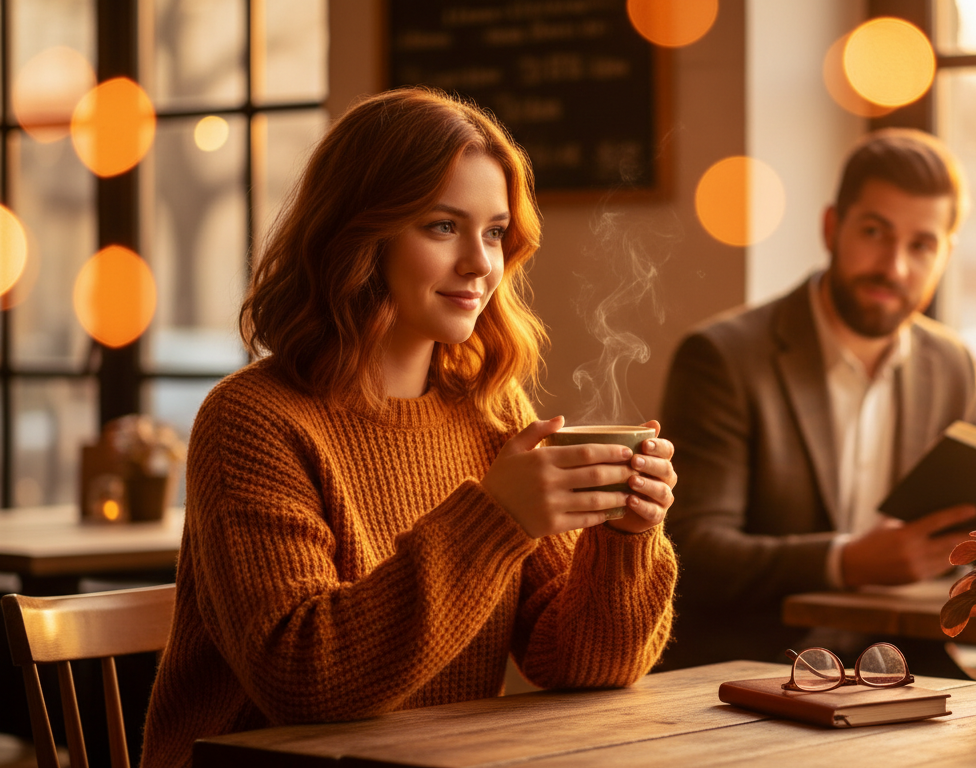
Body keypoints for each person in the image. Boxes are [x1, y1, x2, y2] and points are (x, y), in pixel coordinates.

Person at [140, 89, 678, 768]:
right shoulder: (252, 420)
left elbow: (578, 662)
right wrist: (495, 520)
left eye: (493, 231)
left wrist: (626, 540)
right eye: (442, 226)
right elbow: (306, 679)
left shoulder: (490, 409)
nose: (482, 264)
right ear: (360, 233)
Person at [659, 128, 976, 670]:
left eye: (921, 246)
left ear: (946, 255)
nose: (894, 267)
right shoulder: (724, 358)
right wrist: (845, 562)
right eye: (875, 232)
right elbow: (690, 552)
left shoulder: (953, 366)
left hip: (906, 666)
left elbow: (963, 549)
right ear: (831, 227)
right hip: (752, 673)